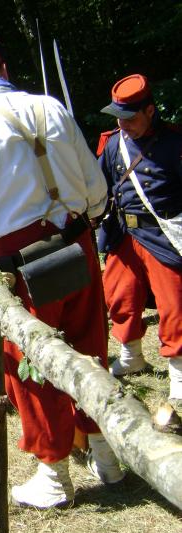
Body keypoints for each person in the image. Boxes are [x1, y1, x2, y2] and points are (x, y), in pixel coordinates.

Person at [0, 35, 124, 509]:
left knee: (32, 368)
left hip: (20, 263)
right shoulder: (50, 106)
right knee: (90, 350)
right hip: (77, 241)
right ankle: (107, 456)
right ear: (4, 67)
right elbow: (95, 185)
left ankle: (54, 474)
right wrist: (85, 222)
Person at [97, 74, 182, 410]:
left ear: (150, 111)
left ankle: (178, 374)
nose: (123, 124)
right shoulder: (112, 141)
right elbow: (100, 183)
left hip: (162, 235)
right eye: (118, 118)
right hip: (122, 232)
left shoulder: (175, 144)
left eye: (130, 118)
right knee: (119, 297)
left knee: (174, 307)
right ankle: (132, 356)